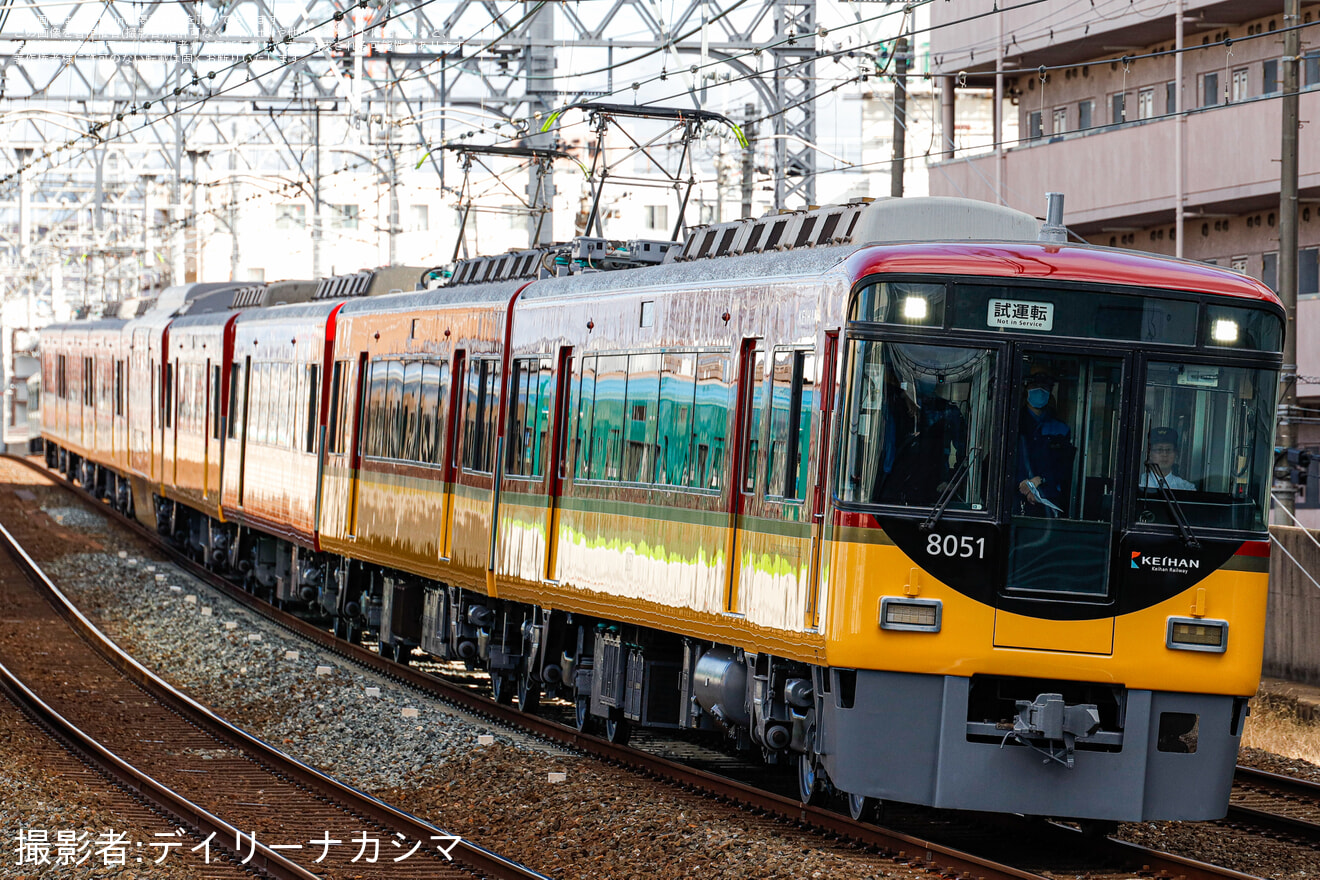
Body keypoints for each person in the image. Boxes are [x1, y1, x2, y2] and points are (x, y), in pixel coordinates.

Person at [1017, 369, 1074, 515]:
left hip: (1048, 499)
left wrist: (1040, 480)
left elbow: (1064, 466)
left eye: (1045, 387)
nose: (1040, 391)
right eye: (1035, 386)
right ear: (1026, 389)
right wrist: (1023, 484)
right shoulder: (1013, 424)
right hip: (1016, 497)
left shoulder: (1060, 428)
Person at [1140, 427, 1196, 491]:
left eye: (1168, 450)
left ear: (1176, 454)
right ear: (1149, 454)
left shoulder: (1186, 488)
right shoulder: (1140, 483)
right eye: (1159, 450)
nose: (1164, 454)